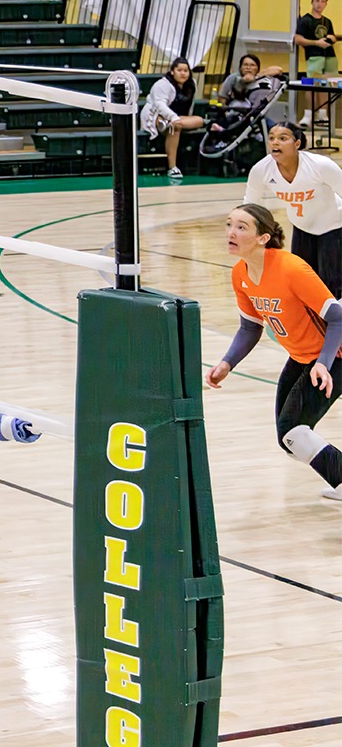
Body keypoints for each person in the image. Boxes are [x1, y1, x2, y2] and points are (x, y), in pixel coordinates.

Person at [209, 203, 342, 501]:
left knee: (293, 430)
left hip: (334, 357)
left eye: (241, 227)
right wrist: (227, 363)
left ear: (263, 238)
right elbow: (250, 327)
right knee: (289, 440)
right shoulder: (240, 274)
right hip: (301, 356)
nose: (231, 232)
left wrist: (324, 362)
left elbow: (337, 316)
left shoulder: (290, 268)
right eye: (229, 224)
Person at [244, 121, 342, 296]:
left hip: (333, 226)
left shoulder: (320, 165)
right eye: (272, 138)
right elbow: (250, 206)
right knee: (301, 283)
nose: (275, 142)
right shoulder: (260, 170)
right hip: (301, 227)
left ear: (297, 143)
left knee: (333, 286)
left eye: (283, 138)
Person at [140, 57, 205, 180]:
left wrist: (179, 119)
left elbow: (190, 105)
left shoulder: (192, 84)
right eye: (179, 70)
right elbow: (159, 105)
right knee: (174, 127)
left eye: (186, 71)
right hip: (155, 114)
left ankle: (170, 123)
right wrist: (173, 118)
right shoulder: (162, 84)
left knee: (200, 120)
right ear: (172, 71)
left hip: (178, 117)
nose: (183, 73)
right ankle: (172, 167)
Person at [296, 0, 337, 77]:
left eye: (323, 1)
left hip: (330, 55)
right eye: (317, 1)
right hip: (314, 56)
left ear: (326, 4)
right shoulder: (305, 20)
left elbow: (333, 36)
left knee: (331, 82)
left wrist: (332, 38)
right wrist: (316, 43)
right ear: (312, 2)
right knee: (313, 83)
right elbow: (298, 39)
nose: (320, 4)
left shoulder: (327, 21)